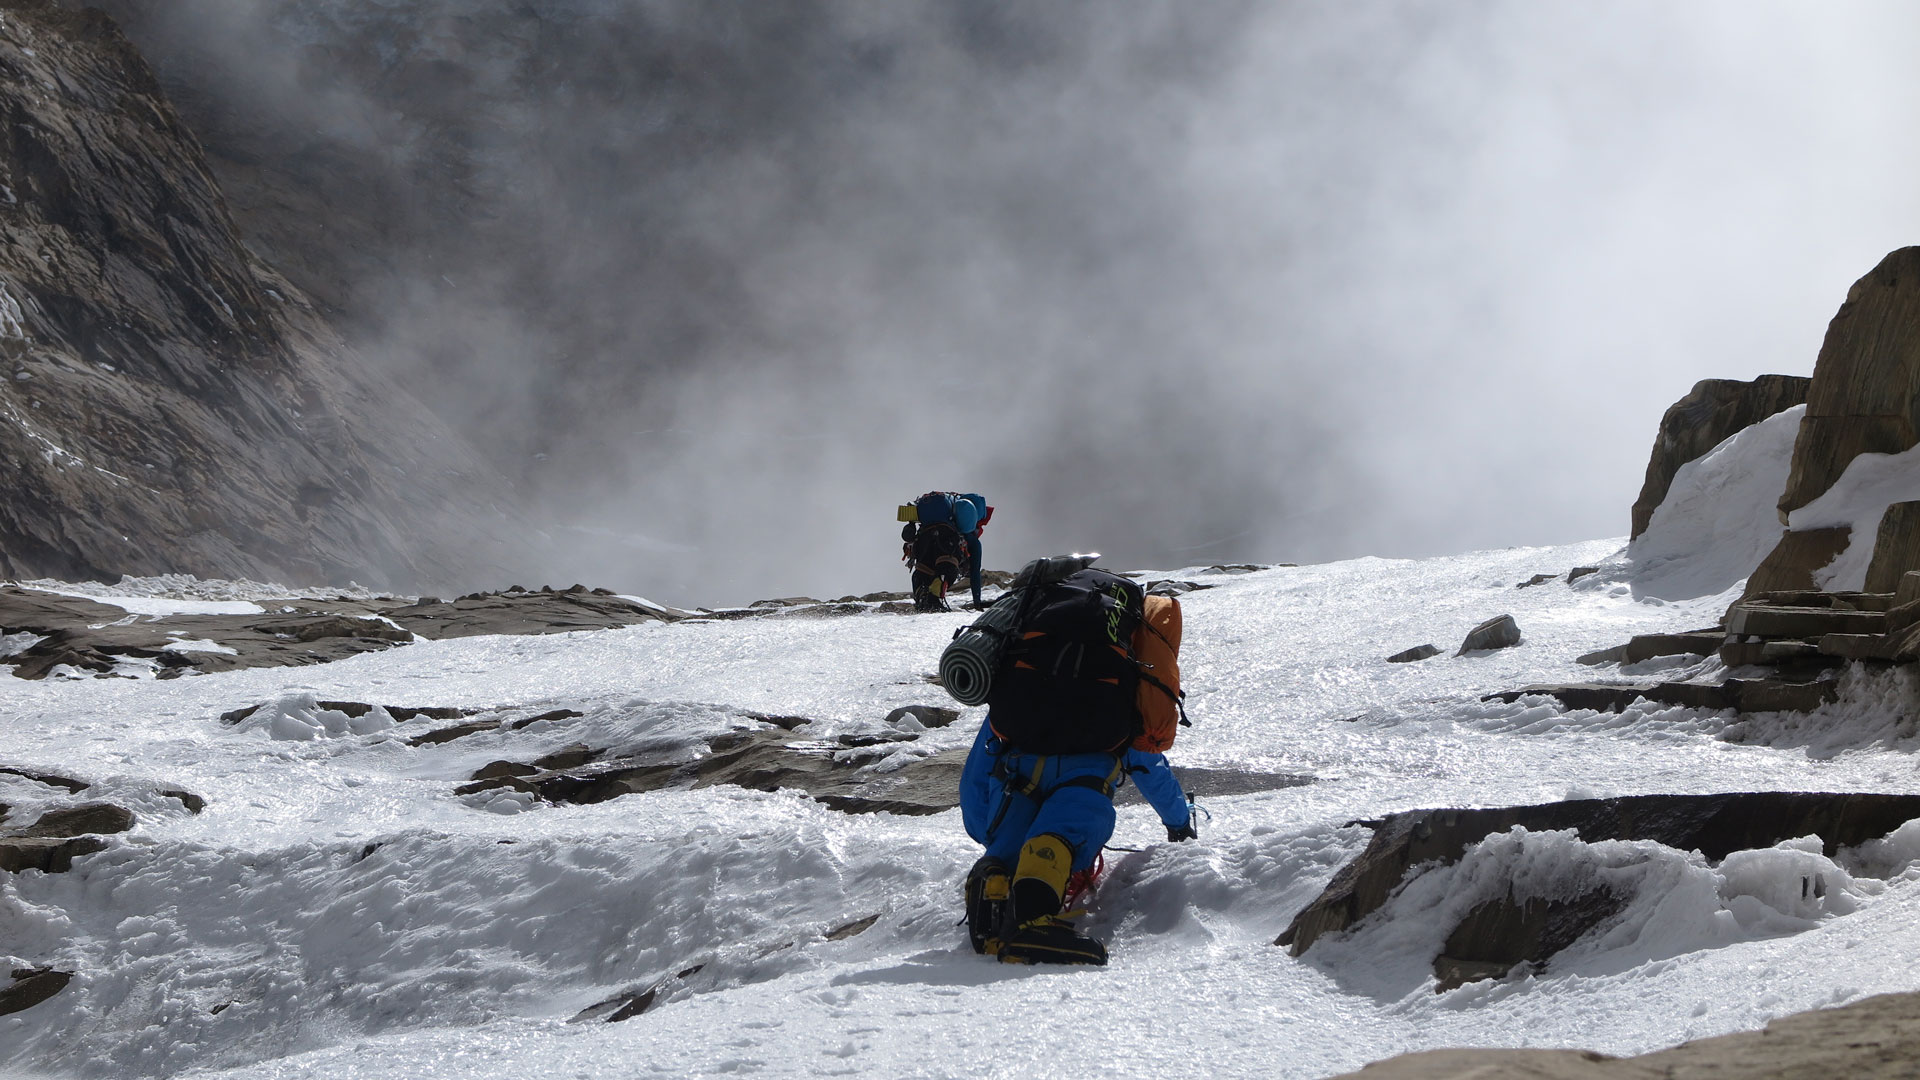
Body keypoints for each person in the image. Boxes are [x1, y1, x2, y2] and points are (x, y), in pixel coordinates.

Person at [958, 711, 1195, 966]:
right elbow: (1148, 765)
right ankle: (1031, 921)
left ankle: (998, 883)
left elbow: (977, 769)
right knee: (1059, 835)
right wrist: (1179, 822)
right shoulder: (1120, 682)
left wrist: (988, 836)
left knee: (1012, 852)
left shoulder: (1022, 674)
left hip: (1014, 781)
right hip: (1084, 780)